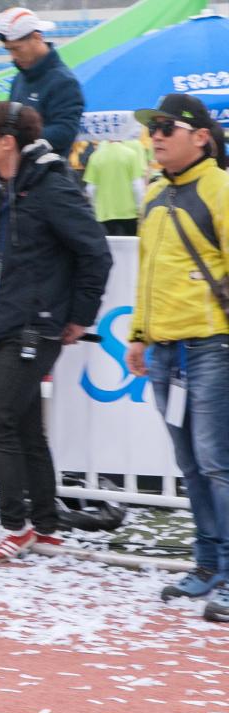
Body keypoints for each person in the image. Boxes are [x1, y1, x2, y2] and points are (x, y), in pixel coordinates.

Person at [0, 101, 110, 561]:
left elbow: (96, 252)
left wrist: (79, 315)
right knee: (26, 428)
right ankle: (47, 526)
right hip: (6, 320)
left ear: (7, 141)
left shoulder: (51, 187)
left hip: (37, 325)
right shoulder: (0, 188)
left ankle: (15, 526)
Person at [123, 94, 229, 620]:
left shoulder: (222, 189)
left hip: (210, 346)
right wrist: (139, 333)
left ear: (200, 136)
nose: (156, 135)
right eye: (153, 127)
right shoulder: (156, 193)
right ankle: (207, 565)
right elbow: (145, 274)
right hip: (167, 352)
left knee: (217, 463)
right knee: (190, 464)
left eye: (167, 127)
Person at [0, 7, 84, 159]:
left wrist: (20, 136)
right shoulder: (19, 79)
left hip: (48, 174)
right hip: (19, 172)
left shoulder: (63, 81)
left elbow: (65, 131)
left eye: (17, 49)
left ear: (37, 37)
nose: (13, 56)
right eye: (9, 50)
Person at [83, 137, 147, 237]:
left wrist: (95, 208)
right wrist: (140, 208)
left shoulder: (95, 156)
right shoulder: (131, 154)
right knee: (128, 249)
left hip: (103, 214)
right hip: (129, 214)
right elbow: (137, 186)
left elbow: (90, 189)